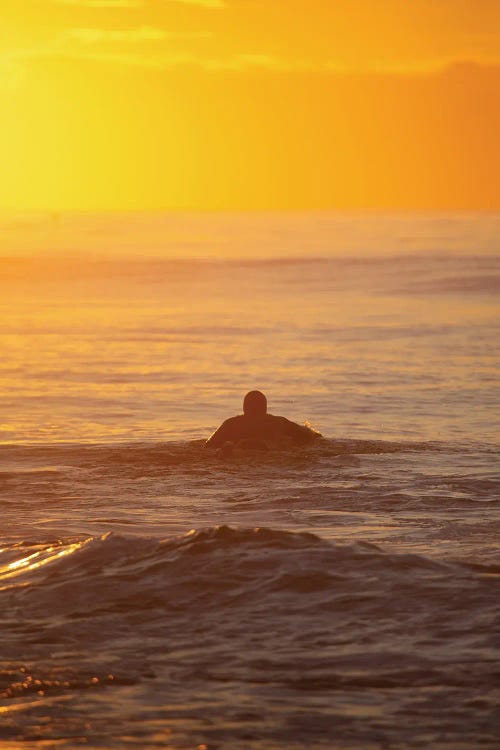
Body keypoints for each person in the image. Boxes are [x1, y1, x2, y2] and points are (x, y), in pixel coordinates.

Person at [205, 390, 321, 450]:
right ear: (265, 407)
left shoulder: (231, 424)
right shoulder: (278, 423)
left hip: (240, 451)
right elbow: (310, 436)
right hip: (269, 450)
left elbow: (208, 446)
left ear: (244, 408)